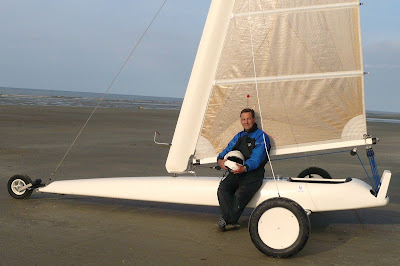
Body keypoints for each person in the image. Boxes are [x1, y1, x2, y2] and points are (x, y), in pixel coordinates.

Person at [216, 108, 270, 231]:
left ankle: (227, 220)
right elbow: (225, 151)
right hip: (236, 172)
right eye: (243, 119)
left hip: (253, 174)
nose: (246, 122)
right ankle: (229, 220)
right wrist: (220, 160)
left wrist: (244, 168)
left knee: (239, 196)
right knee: (223, 189)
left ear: (254, 120)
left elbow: (257, 158)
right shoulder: (239, 136)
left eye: (248, 119)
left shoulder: (261, 137)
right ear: (241, 121)